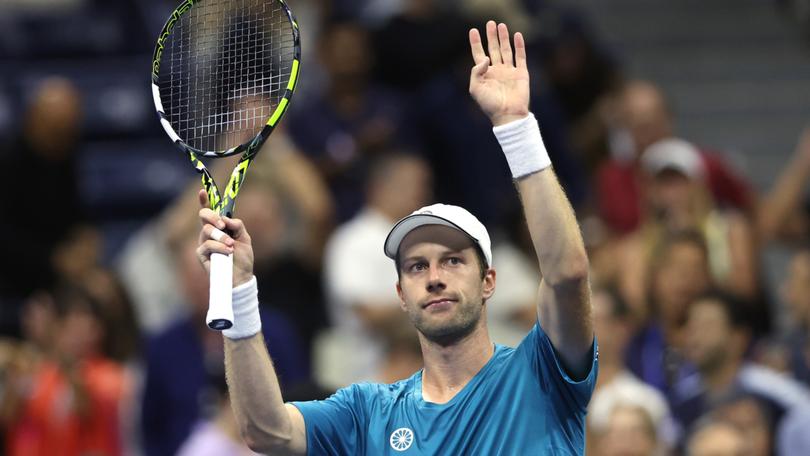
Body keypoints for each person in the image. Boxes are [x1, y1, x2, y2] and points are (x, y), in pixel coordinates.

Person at [195, 21, 596, 454]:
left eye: (453, 260)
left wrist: (515, 128)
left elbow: (567, 273)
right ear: (402, 294)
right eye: (417, 266)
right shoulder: (369, 411)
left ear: (489, 282)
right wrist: (238, 294)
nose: (435, 276)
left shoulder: (539, 372)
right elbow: (265, 431)